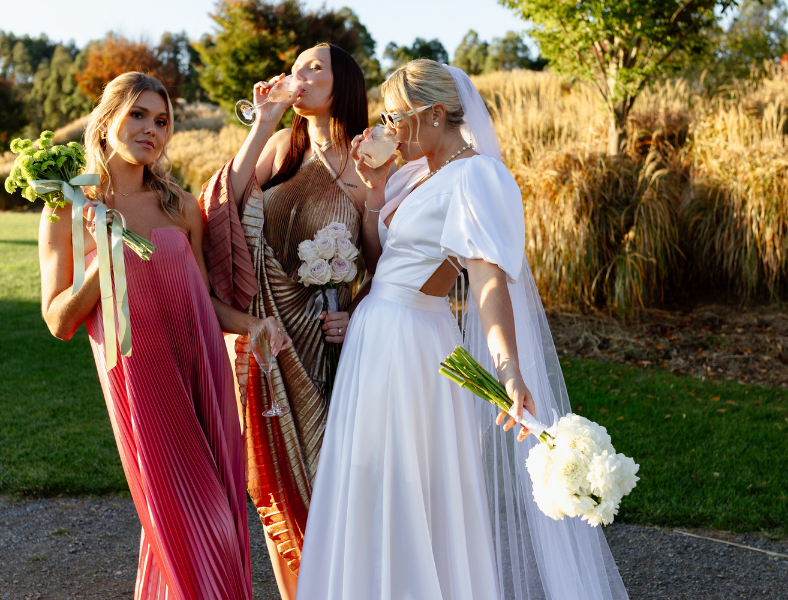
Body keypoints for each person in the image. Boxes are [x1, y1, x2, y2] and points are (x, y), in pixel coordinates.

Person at [295, 60, 630, 600]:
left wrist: (507, 366)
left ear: (432, 113)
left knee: (407, 490)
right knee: (369, 482)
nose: (386, 128)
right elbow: (386, 262)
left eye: (395, 116)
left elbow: (487, 282)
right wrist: (376, 190)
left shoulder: (476, 176)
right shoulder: (413, 173)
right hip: (375, 335)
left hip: (409, 344)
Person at [38, 71, 289, 600]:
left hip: (203, 371)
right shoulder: (65, 208)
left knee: (220, 515)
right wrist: (100, 259)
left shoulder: (179, 205)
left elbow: (205, 301)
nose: (152, 129)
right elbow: (59, 321)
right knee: (183, 519)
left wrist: (254, 325)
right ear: (106, 121)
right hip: (141, 381)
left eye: (162, 120)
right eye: (138, 115)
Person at [199, 43, 380, 598]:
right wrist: (266, 121)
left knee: (338, 479)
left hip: (329, 343)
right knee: (279, 483)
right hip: (269, 335)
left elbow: (387, 260)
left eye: (312, 68)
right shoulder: (281, 145)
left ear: (343, 83)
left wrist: (355, 312)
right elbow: (221, 205)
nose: (297, 76)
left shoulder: (369, 160)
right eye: (294, 68)